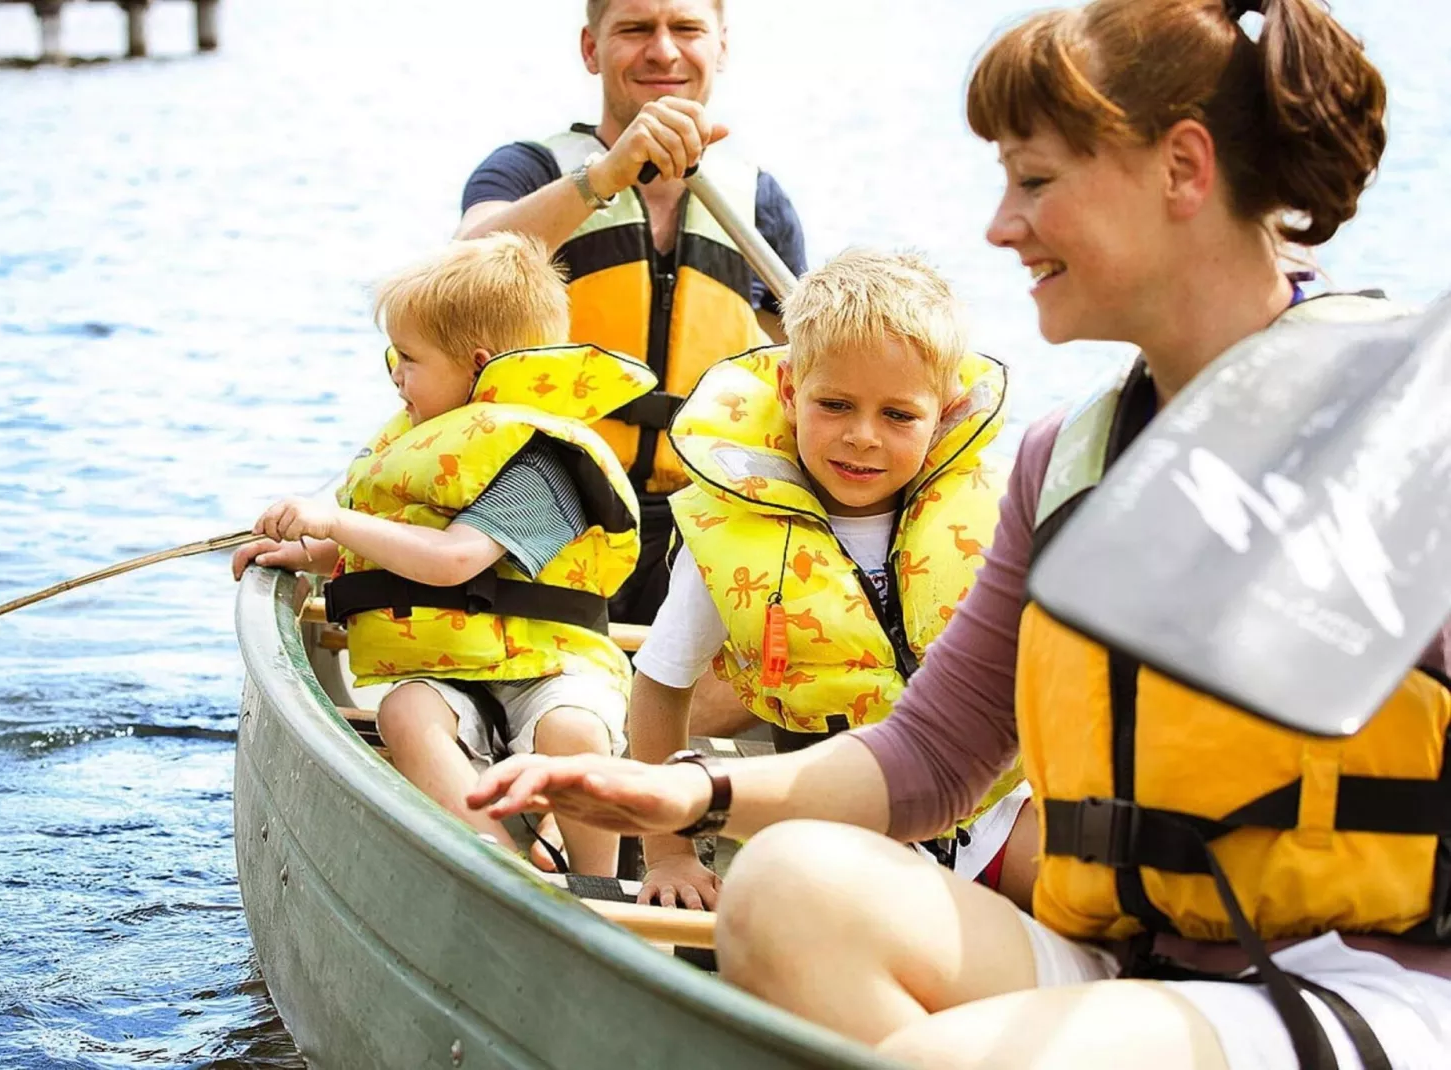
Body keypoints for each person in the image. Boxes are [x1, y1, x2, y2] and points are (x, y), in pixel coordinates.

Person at [467, 0, 1451, 1065]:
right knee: (785, 884)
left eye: (1035, 181)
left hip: (1348, 979)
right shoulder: (1063, 461)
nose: (999, 225)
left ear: (1182, 169)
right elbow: (927, 756)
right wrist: (686, 788)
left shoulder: (1403, 429)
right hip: (1130, 952)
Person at [233, 233, 654, 877]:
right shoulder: (427, 446)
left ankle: (597, 886)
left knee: (572, 732)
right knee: (407, 711)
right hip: (447, 668)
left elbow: (453, 562)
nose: (396, 375)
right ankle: (499, 865)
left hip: (550, 667)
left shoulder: (540, 464)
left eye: (408, 358)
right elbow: (390, 554)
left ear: (477, 364)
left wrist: (337, 521)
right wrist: (307, 551)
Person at [628, 248, 1031, 911]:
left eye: (899, 415)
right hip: (832, 822)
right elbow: (660, 688)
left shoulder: (995, 515)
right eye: (835, 405)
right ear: (789, 392)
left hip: (987, 815)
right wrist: (670, 852)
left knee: (1108, 890)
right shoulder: (737, 532)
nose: (863, 437)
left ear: (948, 410)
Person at [455, 0, 808, 630]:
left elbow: (809, 368)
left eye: (688, 29)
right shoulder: (529, 170)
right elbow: (462, 269)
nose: (664, 51)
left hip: (699, 509)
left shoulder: (759, 198)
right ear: (592, 49)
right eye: (636, 29)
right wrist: (604, 177)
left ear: (721, 45)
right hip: (543, 494)